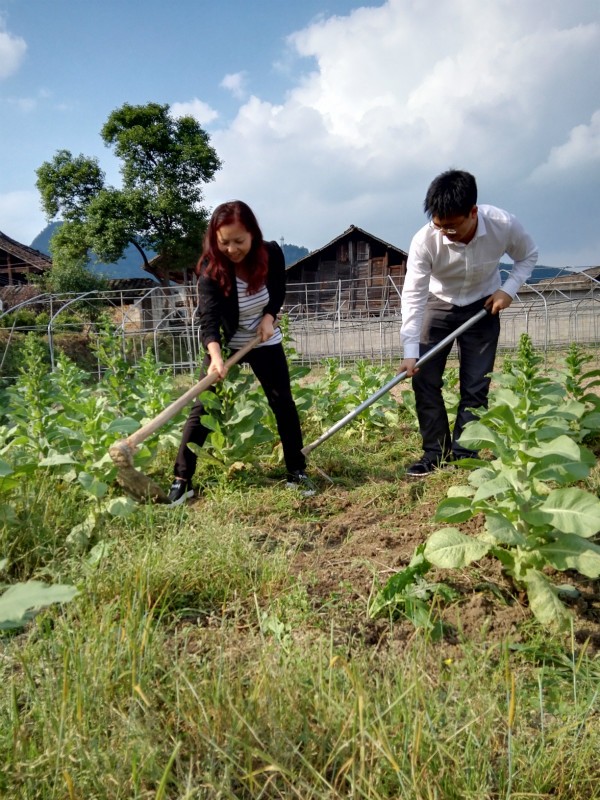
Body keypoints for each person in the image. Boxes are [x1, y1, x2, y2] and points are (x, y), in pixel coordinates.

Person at [168, 200, 315, 504]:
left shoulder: (271, 253)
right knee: (202, 407)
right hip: (225, 340)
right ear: (214, 239)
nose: (232, 249)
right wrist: (216, 358)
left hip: (263, 339)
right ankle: (182, 480)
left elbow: (278, 289)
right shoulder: (211, 270)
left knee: (282, 403)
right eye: (224, 242)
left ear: (253, 235)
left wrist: (269, 317)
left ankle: (296, 471)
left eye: (239, 241)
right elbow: (207, 319)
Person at [400, 169, 538, 477]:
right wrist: (410, 349)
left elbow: (528, 256)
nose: (445, 232)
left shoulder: (504, 225)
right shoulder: (425, 240)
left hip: (483, 306)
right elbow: (413, 295)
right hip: (438, 306)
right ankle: (434, 453)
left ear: (473, 212)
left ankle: (465, 454)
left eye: (452, 226)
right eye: (439, 225)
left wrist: (508, 289)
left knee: (476, 385)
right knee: (424, 380)